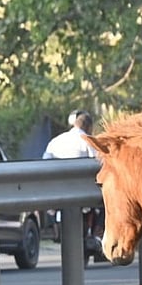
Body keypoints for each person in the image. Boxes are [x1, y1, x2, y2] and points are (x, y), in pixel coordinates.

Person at [44, 109, 104, 259]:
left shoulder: (56, 141)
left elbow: (44, 163)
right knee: (106, 203)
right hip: (82, 192)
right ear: (89, 127)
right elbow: (98, 163)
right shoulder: (87, 140)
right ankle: (97, 234)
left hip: (58, 192)